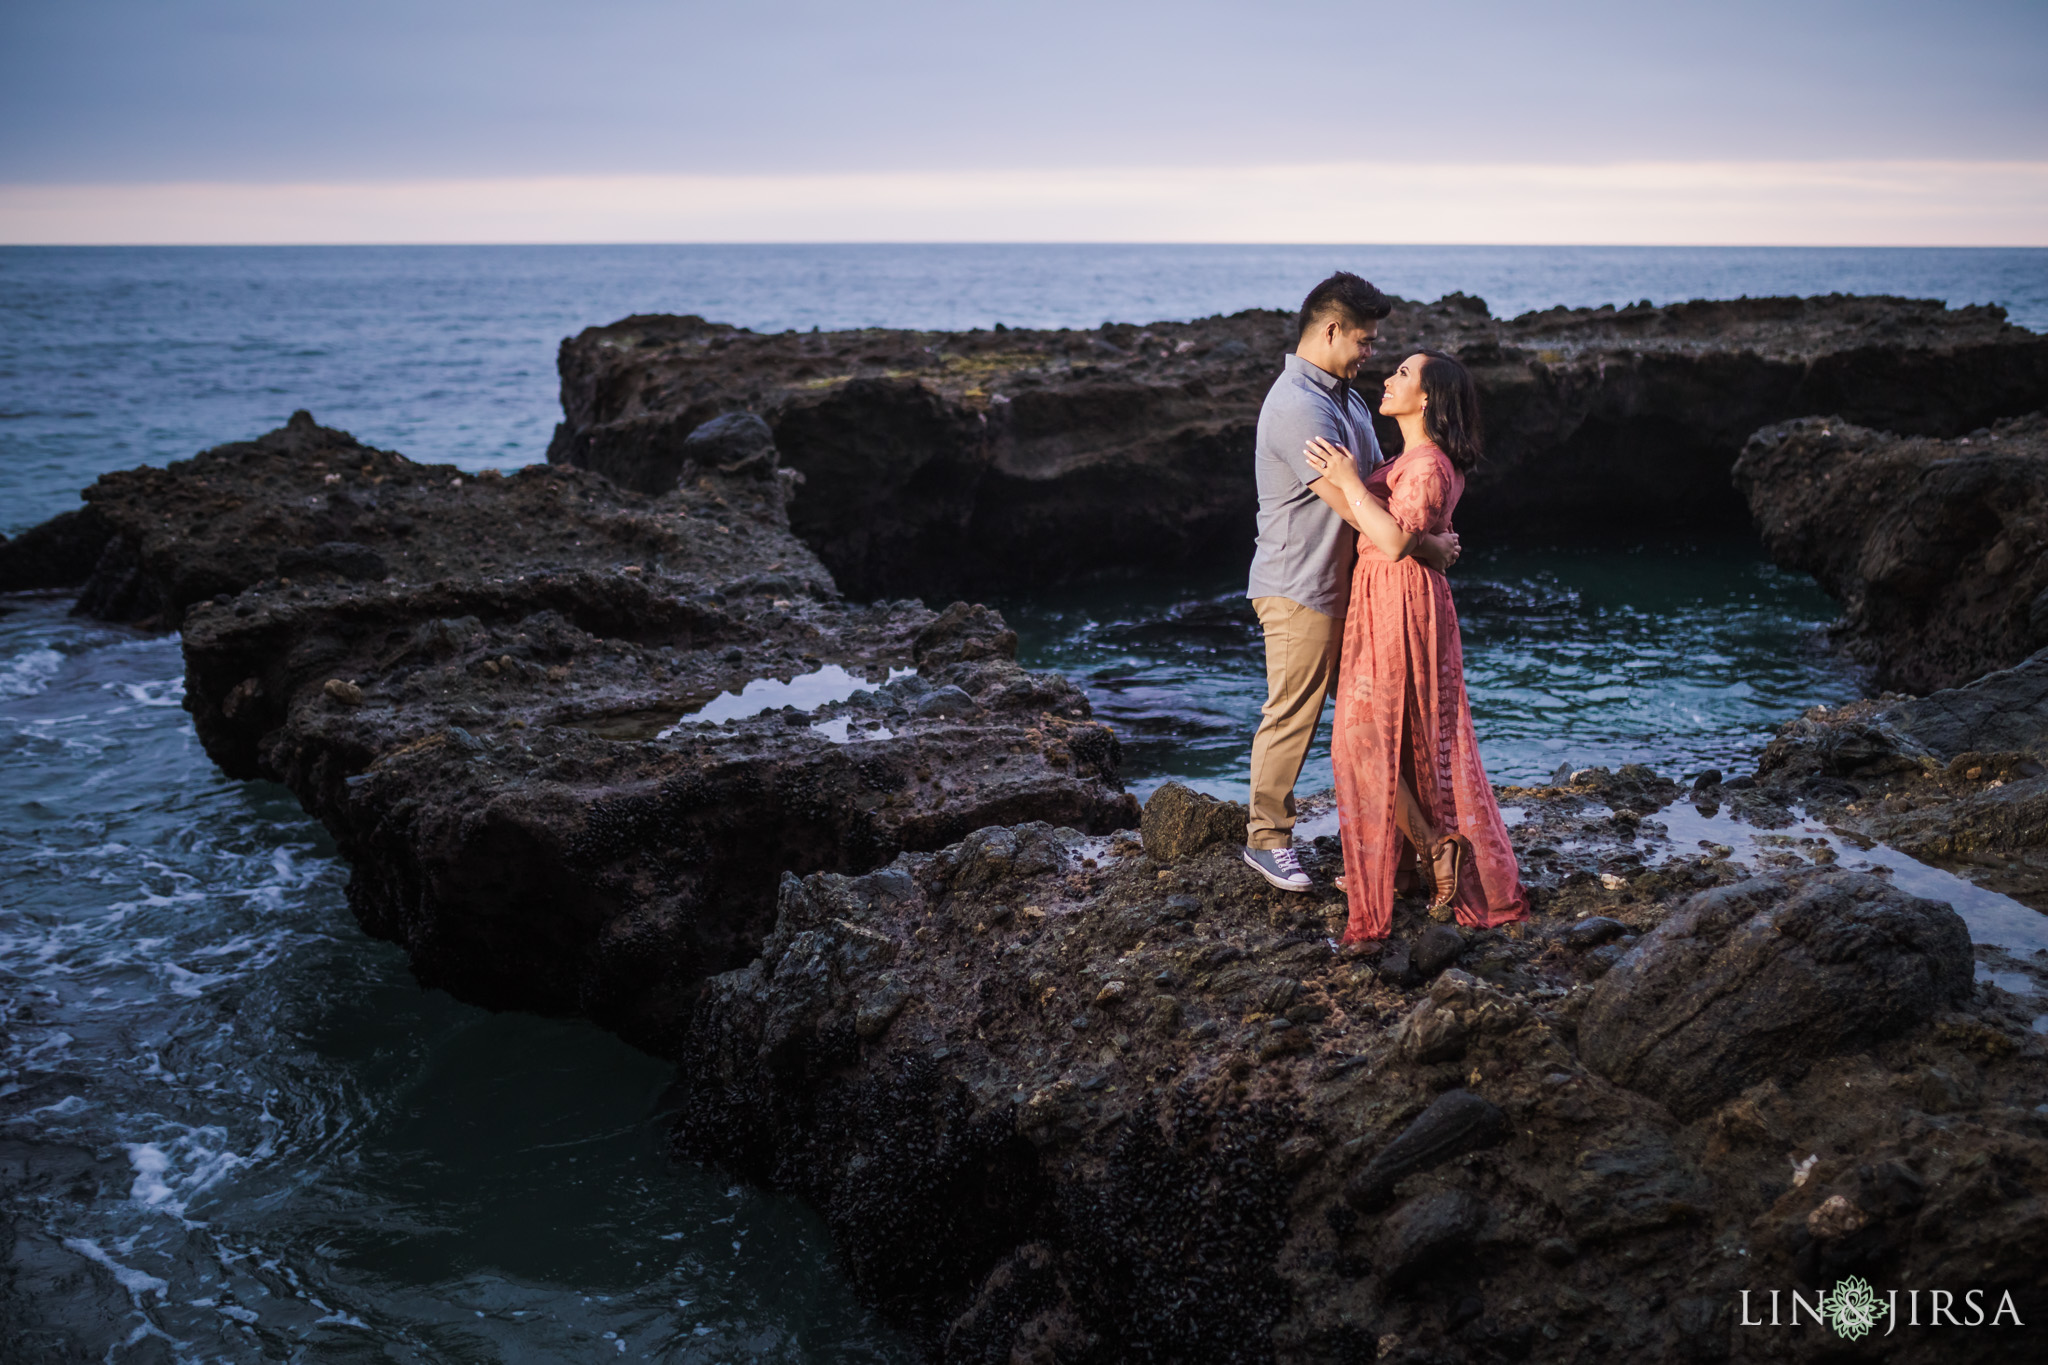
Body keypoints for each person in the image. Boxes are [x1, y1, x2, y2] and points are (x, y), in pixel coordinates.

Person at [1241, 274, 1459, 893]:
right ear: (1331, 330)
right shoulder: (1297, 407)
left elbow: (1381, 486)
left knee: (1367, 730)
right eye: (1365, 340)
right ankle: (1266, 839)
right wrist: (1426, 545)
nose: (1371, 353)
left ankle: (1426, 851)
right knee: (1293, 713)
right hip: (1300, 587)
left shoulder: (1348, 399)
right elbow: (1353, 502)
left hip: (1356, 591)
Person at [1303, 349, 1527, 942]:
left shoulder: (1426, 466)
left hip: (1398, 599)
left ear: (1426, 397)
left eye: (1402, 373)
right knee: (1394, 738)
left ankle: (1435, 847)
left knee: (1363, 739)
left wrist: (1348, 480)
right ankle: (1418, 860)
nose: (1389, 378)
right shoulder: (1415, 459)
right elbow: (1410, 536)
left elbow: (1395, 541)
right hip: (1391, 595)